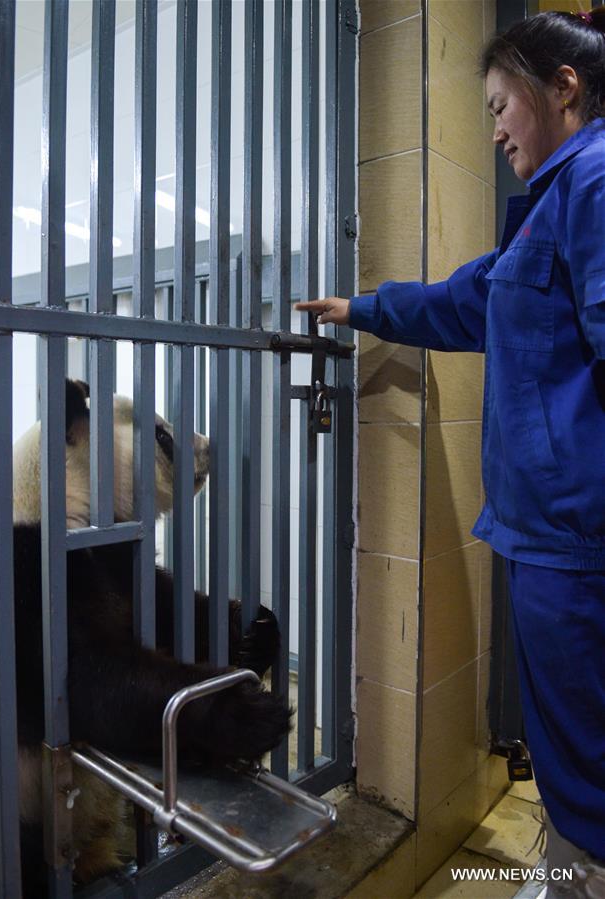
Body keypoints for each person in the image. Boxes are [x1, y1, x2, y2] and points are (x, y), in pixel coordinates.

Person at [297, 8, 605, 898]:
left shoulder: (591, 183)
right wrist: (357, 309)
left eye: (503, 102)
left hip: (577, 535)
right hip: (549, 531)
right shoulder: (543, 211)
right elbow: (459, 302)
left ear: (562, 88)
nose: (495, 124)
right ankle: (572, 856)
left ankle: (581, 876)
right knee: (567, 730)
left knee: (581, 736)